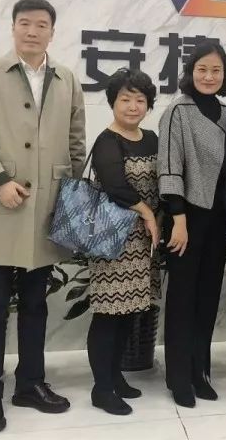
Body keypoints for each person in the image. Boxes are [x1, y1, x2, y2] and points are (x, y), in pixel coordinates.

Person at [0, 0, 86, 433]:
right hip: (1, 205)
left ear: (52, 31)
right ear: (13, 27)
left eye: (41, 25)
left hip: (47, 207)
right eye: (25, 23)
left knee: (36, 304)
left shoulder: (67, 78)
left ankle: (30, 384)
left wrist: (69, 195)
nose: (32, 31)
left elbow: (76, 141)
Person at [158, 42, 226, 407]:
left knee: (208, 297)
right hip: (187, 217)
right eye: (202, 69)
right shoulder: (178, 110)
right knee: (182, 298)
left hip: (220, 219)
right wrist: (178, 219)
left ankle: (200, 371)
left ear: (225, 74)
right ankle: (179, 377)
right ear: (191, 71)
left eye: (216, 70)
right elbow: (170, 166)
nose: (209, 76)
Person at [87, 68, 161, 415]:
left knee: (129, 311)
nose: (133, 107)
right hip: (113, 239)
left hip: (143, 242)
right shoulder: (107, 140)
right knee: (108, 313)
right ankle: (101, 389)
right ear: (112, 102)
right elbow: (115, 186)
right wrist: (147, 213)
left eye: (140, 100)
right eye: (125, 99)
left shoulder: (152, 138)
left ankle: (115, 377)